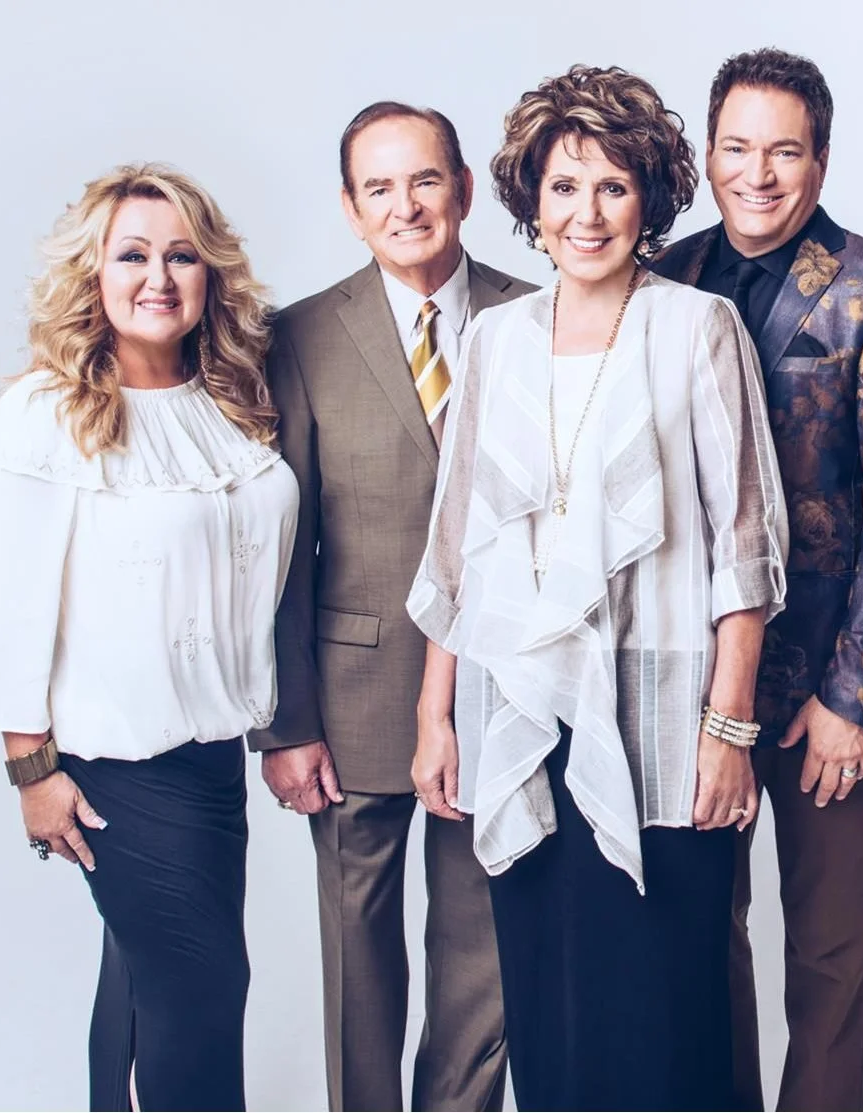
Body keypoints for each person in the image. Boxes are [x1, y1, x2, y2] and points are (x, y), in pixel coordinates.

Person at [406, 64, 788, 1111]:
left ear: (652, 199)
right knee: (551, 1002)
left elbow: (746, 551)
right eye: (565, 186)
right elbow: (458, 552)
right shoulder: (493, 342)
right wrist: (439, 719)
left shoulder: (698, 327)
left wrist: (728, 729)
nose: (588, 213)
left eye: (614, 187)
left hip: (665, 728)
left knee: (669, 1009)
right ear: (530, 198)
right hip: (525, 716)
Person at [0, 163, 299, 1111]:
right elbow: (2, 599)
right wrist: (31, 770)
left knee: (147, 989)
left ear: (210, 274)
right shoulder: (46, 412)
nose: (159, 275)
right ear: (94, 276)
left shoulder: (232, 405)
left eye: (181, 254)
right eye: (133, 254)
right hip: (114, 764)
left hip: (209, 759)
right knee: (199, 994)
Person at [653, 46, 863, 1112]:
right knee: (697, 938)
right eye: (737, 147)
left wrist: (853, 702)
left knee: (829, 957)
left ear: (820, 160)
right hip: (693, 687)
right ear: (710, 151)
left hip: (828, 687)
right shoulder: (662, 278)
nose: (758, 173)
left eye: (784, 150)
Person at [245, 102, 533, 1112]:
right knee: (356, 970)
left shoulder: (538, 312)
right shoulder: (301, 336)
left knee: (483, 967)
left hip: (506, 700)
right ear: (351, 207)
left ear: (460, 187)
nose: (406, 205)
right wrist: (285, 725)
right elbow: (283, 547)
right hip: (353, 696)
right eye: (380, 187)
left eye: (423, 180)